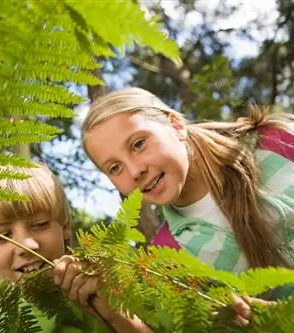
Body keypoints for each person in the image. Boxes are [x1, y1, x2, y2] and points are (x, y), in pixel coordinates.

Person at [80, 87, 294, 301]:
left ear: (176, 125)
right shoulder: (167, 258)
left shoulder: (277, 142)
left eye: (138, 144)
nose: (135, 171)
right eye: (115, 168)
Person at [0, 162, 151, 333]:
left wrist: (116, 313)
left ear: (65, 226)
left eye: (39, 224)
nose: (27, 246)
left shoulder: (124, 270)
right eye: (3, 236)